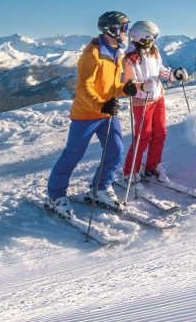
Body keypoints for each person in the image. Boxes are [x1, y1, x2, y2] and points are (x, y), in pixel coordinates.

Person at [46, 11, 139, 217]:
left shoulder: (116, 52)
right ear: (112, 29)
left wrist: (126, 89)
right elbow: (84, 87)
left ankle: (100, 188)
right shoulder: (92, 54)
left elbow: (112, 86)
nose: (127, 32)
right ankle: (54, 196)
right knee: (73, 154)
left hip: (106, 113)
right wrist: (101, 105)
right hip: (86, 115)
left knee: (115, 150)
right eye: (124, 27)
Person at [121, 20, 189, 184]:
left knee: (160, 133)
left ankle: (152, 166)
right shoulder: (130, 58)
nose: (153, 41)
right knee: (142, 136)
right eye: (151, 38)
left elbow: (160, 70)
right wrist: (142, 86)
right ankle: (130, 171)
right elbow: (128, 85)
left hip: (158, 97)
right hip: (141, 100)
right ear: (141, 37)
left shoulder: (153, 51)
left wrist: (174, 75)